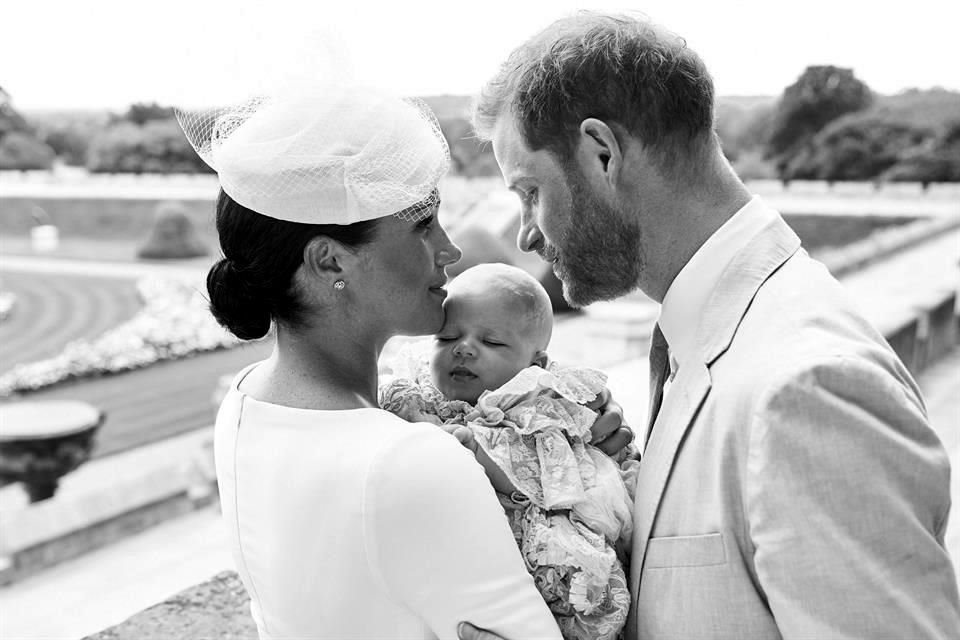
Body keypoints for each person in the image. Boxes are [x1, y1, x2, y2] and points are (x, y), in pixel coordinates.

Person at [458, 11, 960, 640]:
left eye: (530, 191)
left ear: (601, 154)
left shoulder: (808, 386)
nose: (527, 232)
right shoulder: (717, 338)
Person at [178, 86, 567, 639]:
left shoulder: (245, 400)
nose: (450, 249)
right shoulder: (410, 461)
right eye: (422, 225)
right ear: (330, 258)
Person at [379, 263, 637, 640]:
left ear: (535, 363)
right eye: (447, 337)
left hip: (533, 543)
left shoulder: (537, 404)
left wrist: (472, 449)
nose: (464, 349)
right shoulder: (416, 392)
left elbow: (542, 474)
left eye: (493, 342)